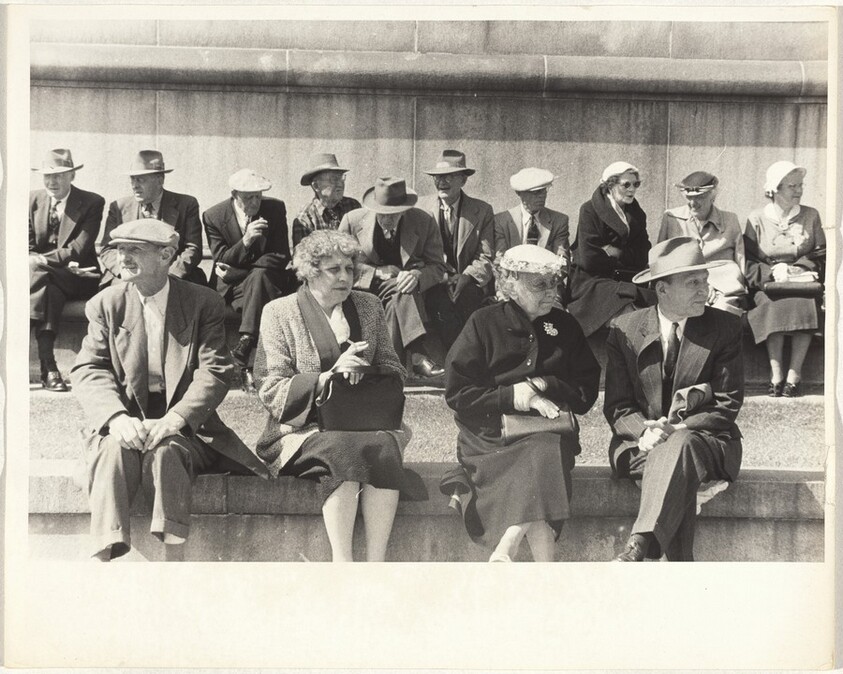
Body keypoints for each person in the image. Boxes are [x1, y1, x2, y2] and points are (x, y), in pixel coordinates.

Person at [70, 219, 268, 562]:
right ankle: (107, 549)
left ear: (166, 255)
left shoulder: (201, 301)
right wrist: (116, 418)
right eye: (119, 249)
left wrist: (176, 419)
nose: (123, 257)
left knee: (166, 451)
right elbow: (89, 368)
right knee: (113, 451)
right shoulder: (106, 304)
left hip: (185, 423)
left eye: (135, 249)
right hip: (125, 415)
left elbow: (215, 370)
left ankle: (172, 549)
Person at [253, 230, 425, 562]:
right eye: (334, 270)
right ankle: (342, 563)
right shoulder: (279, 312)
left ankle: (376, 562)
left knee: (384, 444)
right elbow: (270, 386)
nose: (346, 277)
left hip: (364, 421)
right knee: (344, 448)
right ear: (309, 271)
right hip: (302, 430)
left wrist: (366, 370)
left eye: (350, 268)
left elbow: (393, 366)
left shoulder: (370, 305)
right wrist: (328, 377)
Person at [440, 245, 600, 562]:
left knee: (544, 447)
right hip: (490, 440)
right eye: (539, 284)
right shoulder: (483, 323)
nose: (551, 292)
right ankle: (544, 569)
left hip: (547, 430)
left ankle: (508, 545)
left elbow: (586, 392)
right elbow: (458, 394)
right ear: (511, 282)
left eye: (554, 283)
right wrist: (514, 397)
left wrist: (544, 385)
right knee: (544, 456)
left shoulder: (565, 327)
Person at [604, 237, 744, 562]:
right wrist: (644, 431)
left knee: (680, 444)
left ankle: (641, 546)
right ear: (661, 289)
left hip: (707, 443)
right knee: (674, 457)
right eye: (693, 282)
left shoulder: (725, 327)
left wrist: (673, 430)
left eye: (706, 281)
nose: (704, 290)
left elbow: (725, 403)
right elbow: (618, 406)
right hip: (642, 447)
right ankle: (681, 568)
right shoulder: (624, 330)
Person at [339, 177, 448, 378]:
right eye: (382, 214)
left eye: (394, 215)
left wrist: (416, 276)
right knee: (401, 293)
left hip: (404, 290)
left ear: (404, 210)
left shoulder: (424, 221)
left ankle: (389, 369)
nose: (388, 220)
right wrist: (376, 272)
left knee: (400, 293)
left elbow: (438, 266)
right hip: (362, 288)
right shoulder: (352, 221)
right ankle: (417, 356)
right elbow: (340, 264)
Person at [202, 168, 296, 391]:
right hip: (234, 287)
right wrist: (245, 241)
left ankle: (246, 346)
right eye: (248, 198)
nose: (255, 202)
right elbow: (222, 258)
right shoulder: (213, 215)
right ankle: (250, 362)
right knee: (260, 282)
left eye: (258, 196)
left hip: (266, 280)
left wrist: (243, 272)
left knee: (261, 277)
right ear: (234, 194)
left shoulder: (274, 208)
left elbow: (281, 255)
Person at [744, 161, 825, 398]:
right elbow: (747, 259)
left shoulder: (811, 215)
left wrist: (800, 268)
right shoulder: (757, 218)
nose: (799, 191)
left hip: (803, 281)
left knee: (804, 303)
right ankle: (776, 373)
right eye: (792, 186)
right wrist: (772, 273)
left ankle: (794, 374)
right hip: (768, 282)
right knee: (773, 305)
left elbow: (821, 252)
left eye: (801, 185)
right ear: (775, 189)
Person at [29, 148, 104, 391]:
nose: (52, 182)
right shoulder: (31, 201)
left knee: (41, 275)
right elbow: (25, 245)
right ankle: (48, 368)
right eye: (47, 176)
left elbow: (78, 250)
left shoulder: (92, 202)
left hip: (80, 277)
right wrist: (37, 260)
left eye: (59, 175)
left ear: (72, 175)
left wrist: (40, 259)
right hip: (48, 281)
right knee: (48, 288)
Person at [417, 149, 495, 348]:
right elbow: (416, 253)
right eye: (438, 177)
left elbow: (485, 256)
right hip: (434, 280)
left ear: (463, 180)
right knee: (439, 305)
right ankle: (460, 361)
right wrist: (441, 278)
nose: (442, 183)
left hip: (467, 279)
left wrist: (466, 277)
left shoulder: (482, 210)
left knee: (468, 302)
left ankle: (467, 360)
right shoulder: (420, 208)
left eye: (449, 177)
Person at [568, 161, 655, 336]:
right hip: (592, 280)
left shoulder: (637, 213)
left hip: (628, 278)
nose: (632, 190)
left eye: (636, 184)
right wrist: (627, 257)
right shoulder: (589, 210)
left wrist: (616, 252)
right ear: (610, 185)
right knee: (629, 312)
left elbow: (643, 254)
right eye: (626, 185)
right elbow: (589, 259)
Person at [99, 150, 206, 287]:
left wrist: (168, 276)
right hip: (127, 275)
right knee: (117, 297)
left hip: (173, 275)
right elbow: (107, 249)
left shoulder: (186, 204)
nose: (134, 185)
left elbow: (192, 249)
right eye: (132, 179)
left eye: (141, 179)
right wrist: (128, 272)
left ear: (160, 180)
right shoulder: (119, 207)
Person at [659, 171, 747, 316]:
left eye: (700, 197)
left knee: (721, 315)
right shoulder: (671, 218)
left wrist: (740, 294)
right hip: (684, 286)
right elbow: (661, 262)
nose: (693, 203)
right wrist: (701, 287)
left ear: (713, 196)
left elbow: (740, 261)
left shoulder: (730, 220)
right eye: (689, 198)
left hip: (724, 290)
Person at [493, 167, 571, 269]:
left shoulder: (559, 221)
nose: (542, 196)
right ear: (519, 193)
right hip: (512, 280)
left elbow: (562, 260)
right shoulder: (502, 221)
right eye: (535, 192)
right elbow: (500, 260)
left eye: (544, 191)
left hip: (547, 280)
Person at [291, 153, 362, 249]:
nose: (340, 184)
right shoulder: (305, 218)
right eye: (333, 179)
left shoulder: (353, 206)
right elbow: (302, 259)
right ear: (316, 186)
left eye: (341, 178)